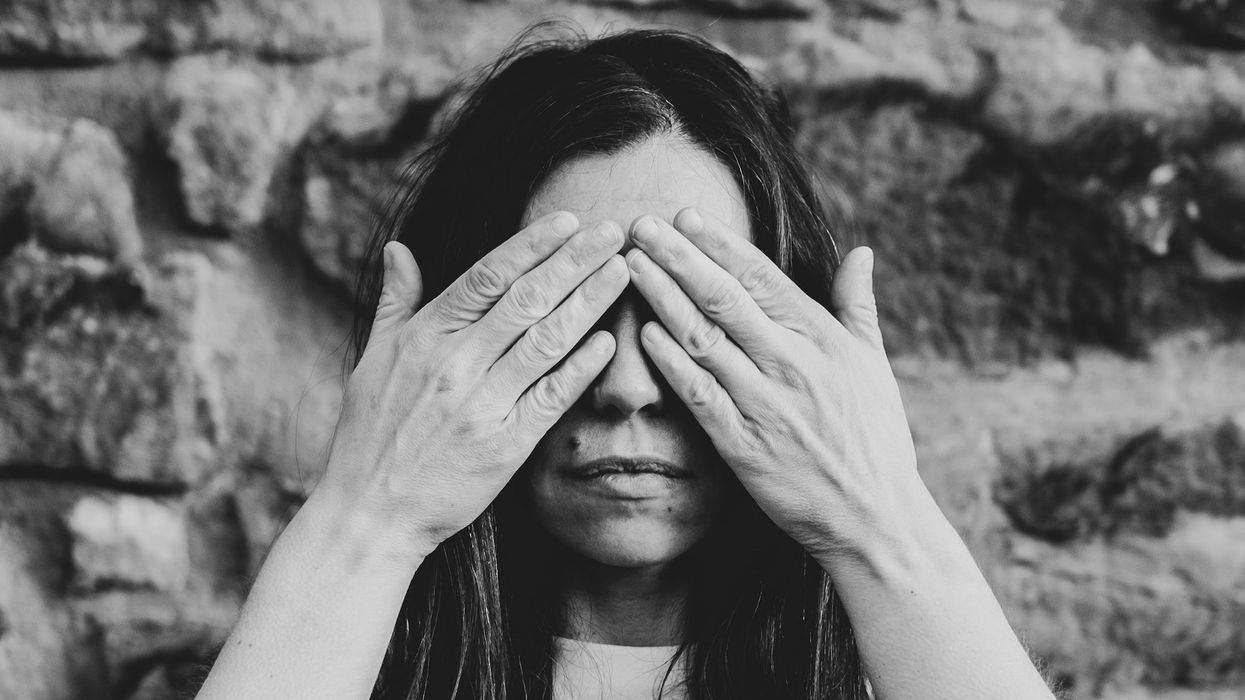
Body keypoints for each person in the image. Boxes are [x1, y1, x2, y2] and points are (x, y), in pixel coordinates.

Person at [193, 27, 1059, 700]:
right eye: (565, 315)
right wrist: (366, 518)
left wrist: (880, 523)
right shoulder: (336, 656)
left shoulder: (910, 661)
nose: (628, 390)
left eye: (691, 316)